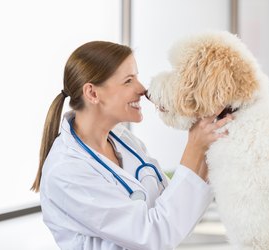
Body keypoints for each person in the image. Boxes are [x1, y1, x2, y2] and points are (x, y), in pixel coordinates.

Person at [31, 41, 231, 250]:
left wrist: (210, 142)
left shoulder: (123, 140)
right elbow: (153, 235)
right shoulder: (66, 171)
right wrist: (195, 146)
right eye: (128, 81)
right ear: (92, 93)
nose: (142, 89)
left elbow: (172, 212)